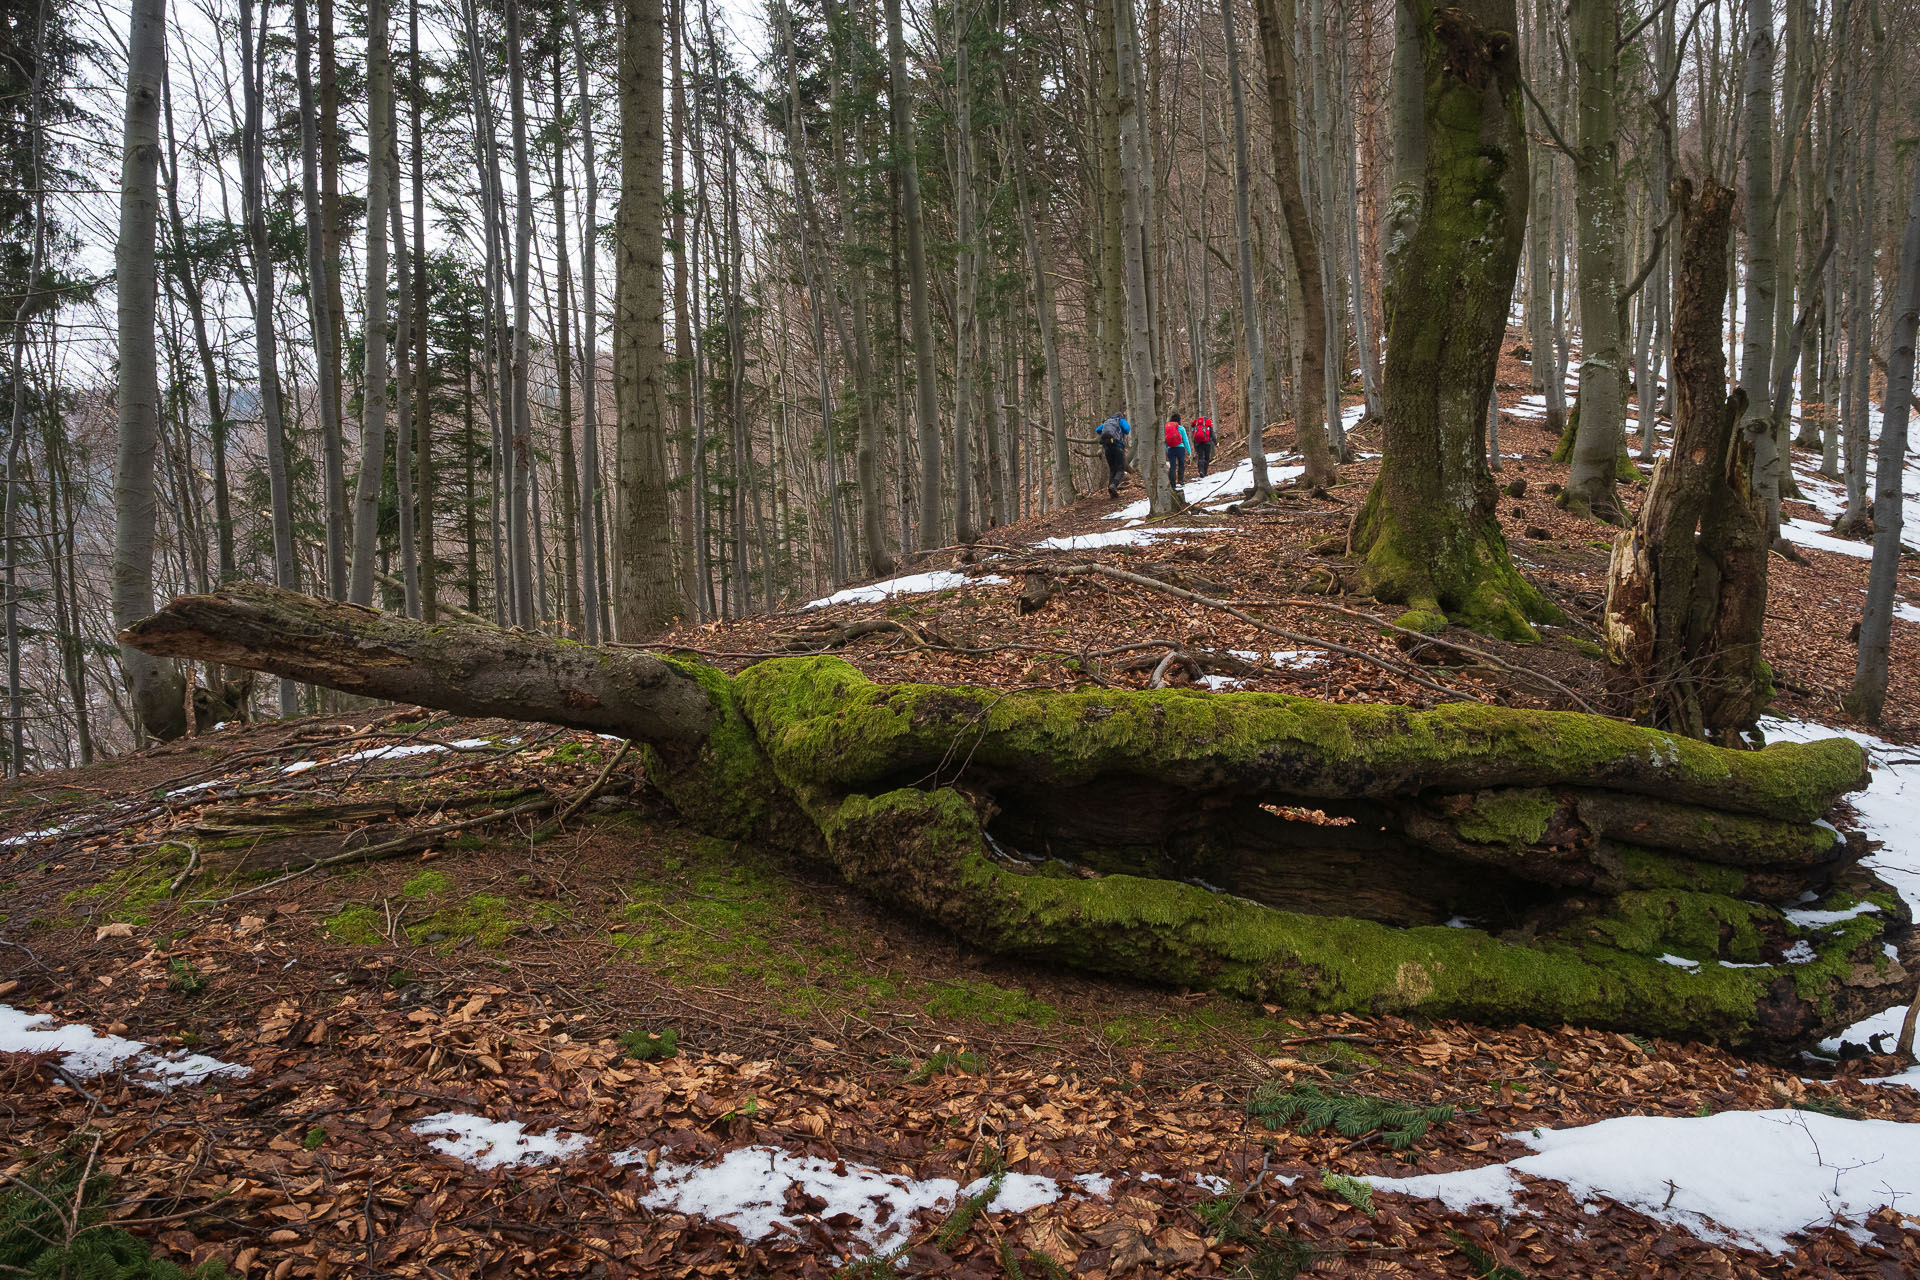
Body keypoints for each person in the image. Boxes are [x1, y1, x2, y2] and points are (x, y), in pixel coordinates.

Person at [1096, 414, 1130, 499]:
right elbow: (1127, 429)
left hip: (1107, 448)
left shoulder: (1107, 422)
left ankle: (1112, 492)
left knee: (1112, 469)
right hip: (1118, 446)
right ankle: (1114, 485)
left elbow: (1098, 430)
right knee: (1120, 469)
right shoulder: (1121, 421)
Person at [1164, 414, 1191, 488]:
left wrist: (1167, 449)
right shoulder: (1181, 428)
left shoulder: (1167, 429)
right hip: (1180, 448)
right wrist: (1189, 451)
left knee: (1172, 466)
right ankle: (1180, 480)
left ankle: (1172, 483)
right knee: (1181, 464)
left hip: (1170, 449)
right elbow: (1185, 440)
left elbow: (1165, 440)